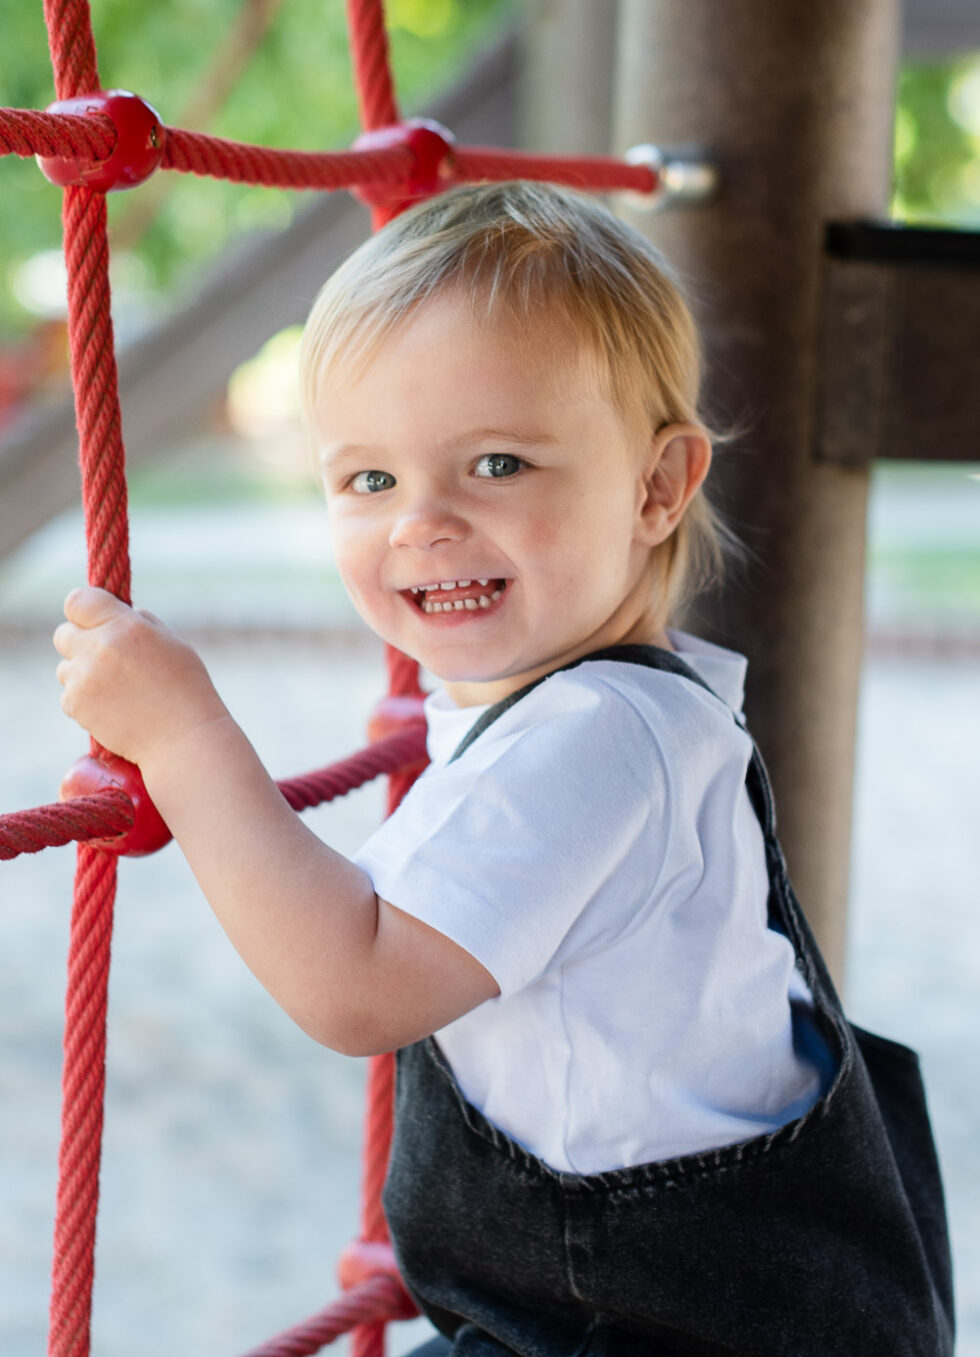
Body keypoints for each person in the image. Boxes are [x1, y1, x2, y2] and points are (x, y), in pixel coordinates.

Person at [54, 183, 953, 1354]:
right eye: (368, 479)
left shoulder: (588, 740)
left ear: (655, 486)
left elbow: (354, 985)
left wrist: (180, 736)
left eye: (495, 463)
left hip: (646, 1315)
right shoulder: (634, 702)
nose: (420, 521)